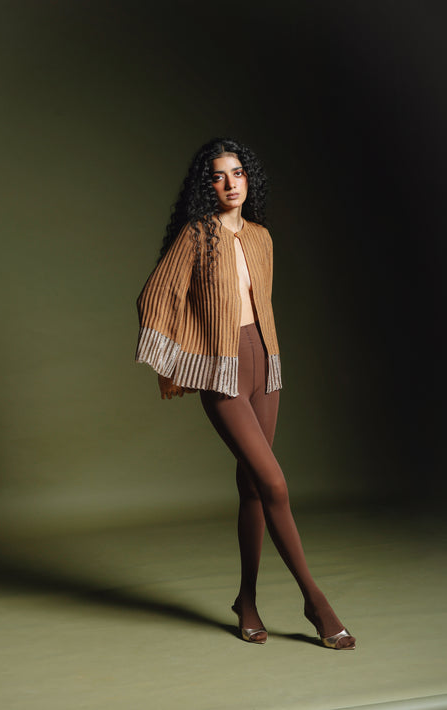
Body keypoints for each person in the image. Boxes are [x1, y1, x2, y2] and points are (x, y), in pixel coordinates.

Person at [135, 138, 356, 650]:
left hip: (264, 362)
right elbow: (156, 296)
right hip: (224, 371)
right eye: (218, 175)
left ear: (249, 178)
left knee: (254, 487)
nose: (230, 183)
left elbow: (263, 307)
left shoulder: (261, 237)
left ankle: (247, 601)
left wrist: (267, 358)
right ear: (206, 185)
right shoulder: (197, 235)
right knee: (274, 483)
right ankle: (315, 601)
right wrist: (184, 361)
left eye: (237, 172)